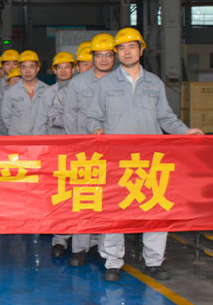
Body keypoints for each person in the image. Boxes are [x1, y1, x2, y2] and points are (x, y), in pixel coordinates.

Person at [87, 27, 203, 282]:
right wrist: (96, 128)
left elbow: (165, 118)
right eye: (121, 48)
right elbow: (93, 116)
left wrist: (185, 132)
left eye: (131, 47)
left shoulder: (154, 83)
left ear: (141, 50)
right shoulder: (106, 83)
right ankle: (113, 262)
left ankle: (154, 262)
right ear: (117, 53)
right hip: (116, 159)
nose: (126, 52)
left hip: (150, 159)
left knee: (154, 209)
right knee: (115, 211)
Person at [48, 33, 116, 263]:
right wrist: (77, 144)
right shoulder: (74, 87)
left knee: (105, 200)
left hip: (108, 151)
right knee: (80, 198)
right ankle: (78, 248)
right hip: (81, 150)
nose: (89, 65)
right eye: (85, 62)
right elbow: (67, 117)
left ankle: (100, 246)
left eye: (91, 61)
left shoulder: (116, 83)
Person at [2, 51, 47, 136]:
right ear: (19, 70)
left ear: (38, 69)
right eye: (24, 67)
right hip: (19, 139)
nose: (27, 71)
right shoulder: (10, 92)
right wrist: (17, 132)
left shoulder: (47, 91)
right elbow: (6, 117)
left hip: (41, 138)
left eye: (31, 67)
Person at [33, 52, 75, 135]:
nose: (63, 71)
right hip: (54, 137)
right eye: (59, 67)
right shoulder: (48, 92)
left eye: (67, 67)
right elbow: (41, 119)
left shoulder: (79, 90)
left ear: (73, 70)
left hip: (76, 137)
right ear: (55, 71)